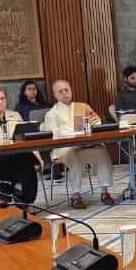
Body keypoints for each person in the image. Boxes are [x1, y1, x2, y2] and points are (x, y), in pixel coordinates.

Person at [41, 79, 116, 208]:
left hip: (84, 145)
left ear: (71, 91)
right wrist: (74, 133)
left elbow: (96, 122)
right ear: (55, 95)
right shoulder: (52, 114)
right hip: (64, 149)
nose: (65, 93)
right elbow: (54, 133)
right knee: (74, 157)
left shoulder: (82, 106)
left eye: (67, 90)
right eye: (61, 91)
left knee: (102, 153)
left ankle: (105, 192)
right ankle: (76, 196)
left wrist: (90, 127)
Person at [0, 86, 41, 204]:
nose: (0, 102)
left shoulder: (15, 115)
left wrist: (37, 158)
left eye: (3, 98)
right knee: (24, 162)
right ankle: (24, 201)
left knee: (26, 161)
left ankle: (27, 201)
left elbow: (25, 138)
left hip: (19, 155)